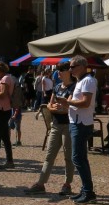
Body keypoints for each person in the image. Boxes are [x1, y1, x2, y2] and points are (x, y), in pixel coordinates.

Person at [24, 61, 75, 196]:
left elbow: (68, 109)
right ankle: (41, 184)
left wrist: (60, 108)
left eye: (61, 70)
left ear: (69, 72)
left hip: (68, 125)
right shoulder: (57, 87)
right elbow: (49, 106)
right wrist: (58, 108)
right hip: (56, 125)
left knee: (68, 156)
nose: (58, 73)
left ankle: (67, 184)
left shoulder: (74, 87)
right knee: (49, 155)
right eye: (58, 70)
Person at [53, 55, 98, 204]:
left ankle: (88, 191)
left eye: (72, 66)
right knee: (80, 157)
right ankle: (87, 190)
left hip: (81, 123)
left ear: (82, 66)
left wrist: (67, 101)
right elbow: (77, 103)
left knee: (77, 158)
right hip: (76, 122)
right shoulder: (80, 81)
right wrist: (66, 104)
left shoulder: (88, 81)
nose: (70, 69)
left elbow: (85, 103)